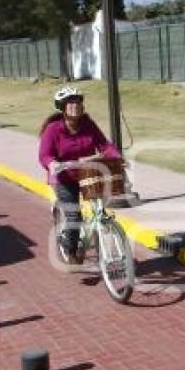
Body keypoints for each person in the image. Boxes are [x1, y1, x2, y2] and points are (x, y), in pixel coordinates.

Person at [38, 86, 120, 262]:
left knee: (99, 208)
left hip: (87, 174)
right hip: (63, 177)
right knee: (75, 216)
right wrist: (52, 164)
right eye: (70, 103)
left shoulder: (88, 125)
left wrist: (117, 157)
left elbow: (105, 145)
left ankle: (97, 234)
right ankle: (71, 251)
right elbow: (45, 155)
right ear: (63, 107)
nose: (75, 106)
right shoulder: (53, 129)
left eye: (78, 102)